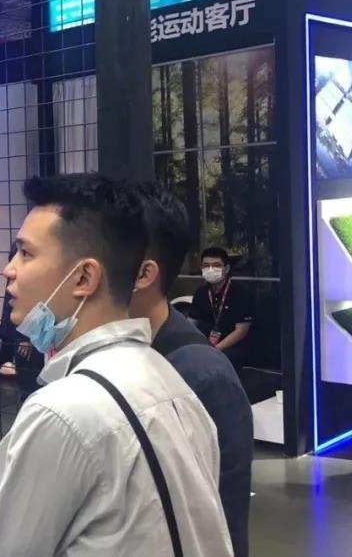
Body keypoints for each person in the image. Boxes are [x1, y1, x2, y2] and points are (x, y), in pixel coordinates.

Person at [0, 174, 231, 556]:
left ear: (84, 277)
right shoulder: (172, 384)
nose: (9, 269)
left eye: (25, 254)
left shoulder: (63, 412)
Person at [129, 183, 253, 557]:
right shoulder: (113, 360)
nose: (12, 270)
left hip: (226, 350)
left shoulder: (202, 377)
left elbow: (218, 519)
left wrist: (215, 348)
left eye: (27, 254)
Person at [188, 247, 254, 369]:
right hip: (206, 344)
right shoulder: (201, 293)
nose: (210, 269)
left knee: (215, 362)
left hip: (232, 345)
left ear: (226, 268)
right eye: (206, 266)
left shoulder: (240, 292)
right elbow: (191, 323)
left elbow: (241, 331)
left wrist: (215, 349)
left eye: (216, 265)